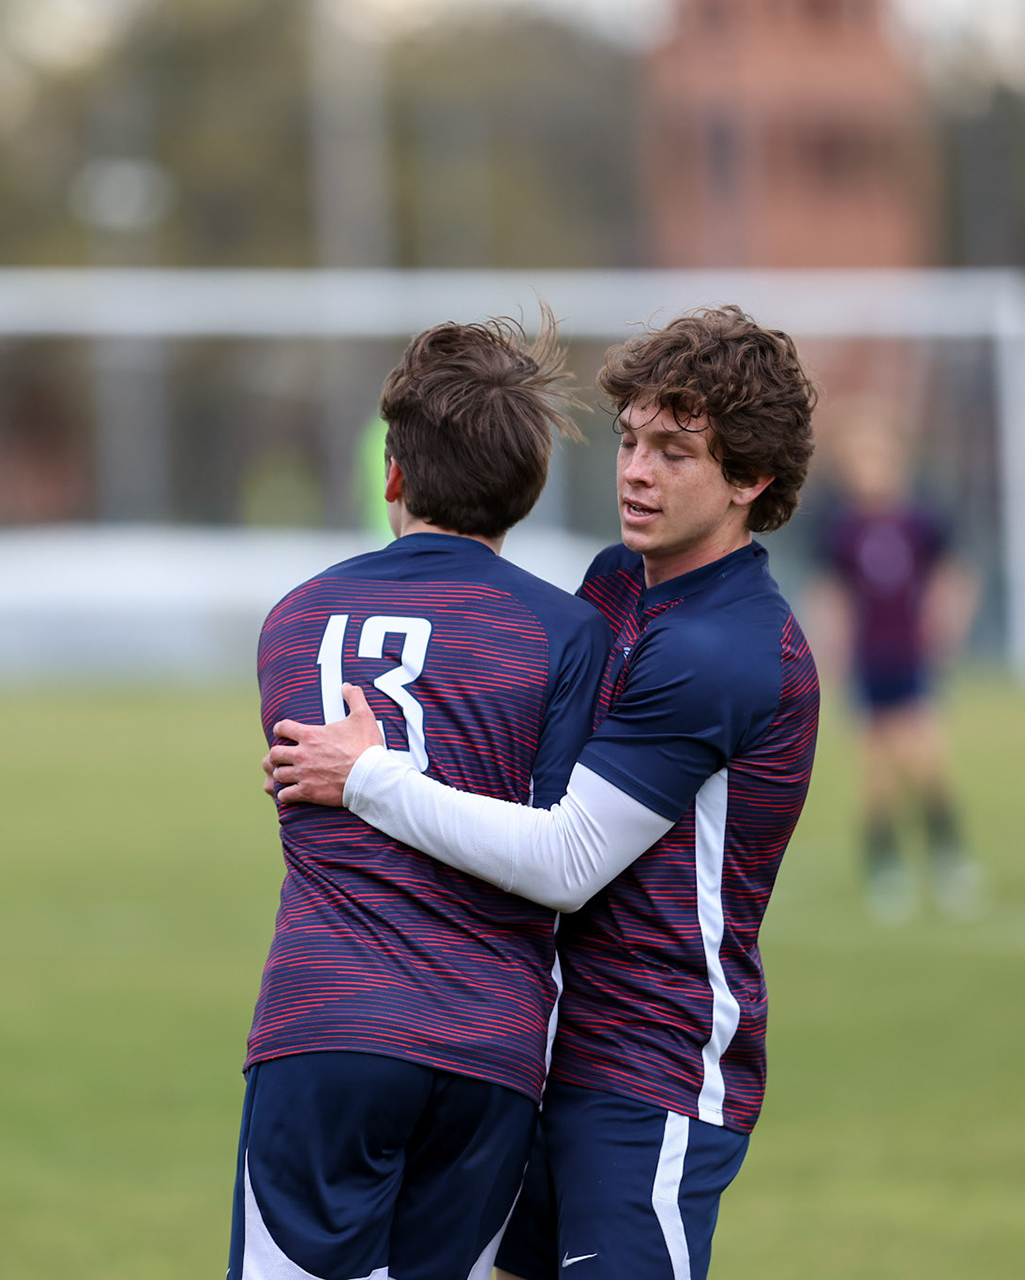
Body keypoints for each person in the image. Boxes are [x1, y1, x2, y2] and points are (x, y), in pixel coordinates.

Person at [267, 306, 819, 1280]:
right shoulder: (618, 582)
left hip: (649, 1066)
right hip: (537, 1045)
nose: (636, 471)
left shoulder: (720, 650)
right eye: (631, 440)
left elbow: (567, 857)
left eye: (676, 452)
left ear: (750, 478)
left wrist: (368, 775)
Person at [232, 314, 611, 1280]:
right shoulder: (566, 635)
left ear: (392, 475)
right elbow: (561, 842)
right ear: (523, 496)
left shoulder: (295, 617)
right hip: (490, 1050)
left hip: (326, 1028)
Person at [809, 406, 985, 924]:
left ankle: (951, 861)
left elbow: (955, 576)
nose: (867, 469)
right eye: (857, 460)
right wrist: (829, 649)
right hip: (867, 664)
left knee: (928, 763)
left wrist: (948, 624)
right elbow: (831, 596)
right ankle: (885, 872)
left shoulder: (921, 519)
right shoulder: (841, 529)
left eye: (875, 457)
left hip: (911, 660)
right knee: (875, 775)